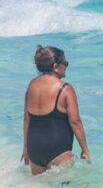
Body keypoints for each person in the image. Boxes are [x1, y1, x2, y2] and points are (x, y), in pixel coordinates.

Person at [21, 45, 90, 174]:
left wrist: (25, 148)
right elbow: (75, 122)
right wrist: (85, 150)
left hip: (34, 149)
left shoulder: (31, 85)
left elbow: (26, 119)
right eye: (65, 63)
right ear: (55, 67)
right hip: (58, 150)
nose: (67, 66)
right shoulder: (65, 89)